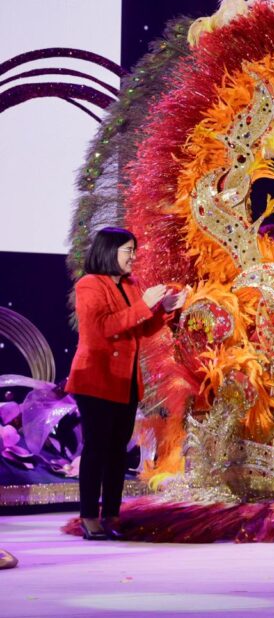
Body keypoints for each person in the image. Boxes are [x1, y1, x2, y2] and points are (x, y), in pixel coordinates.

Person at [67, 227, 187, 540]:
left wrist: (165, 310)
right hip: (95, 377)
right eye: (128, 250)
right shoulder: (88, 284)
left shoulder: (131, 285)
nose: (134, 256)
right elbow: (102, 328)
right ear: (109, 251)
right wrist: (146, 306)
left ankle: (112, 516)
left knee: (118, 452)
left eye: (134, 249)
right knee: (97, 448)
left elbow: (141, 328)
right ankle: (89, 517)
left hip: (126, 380)